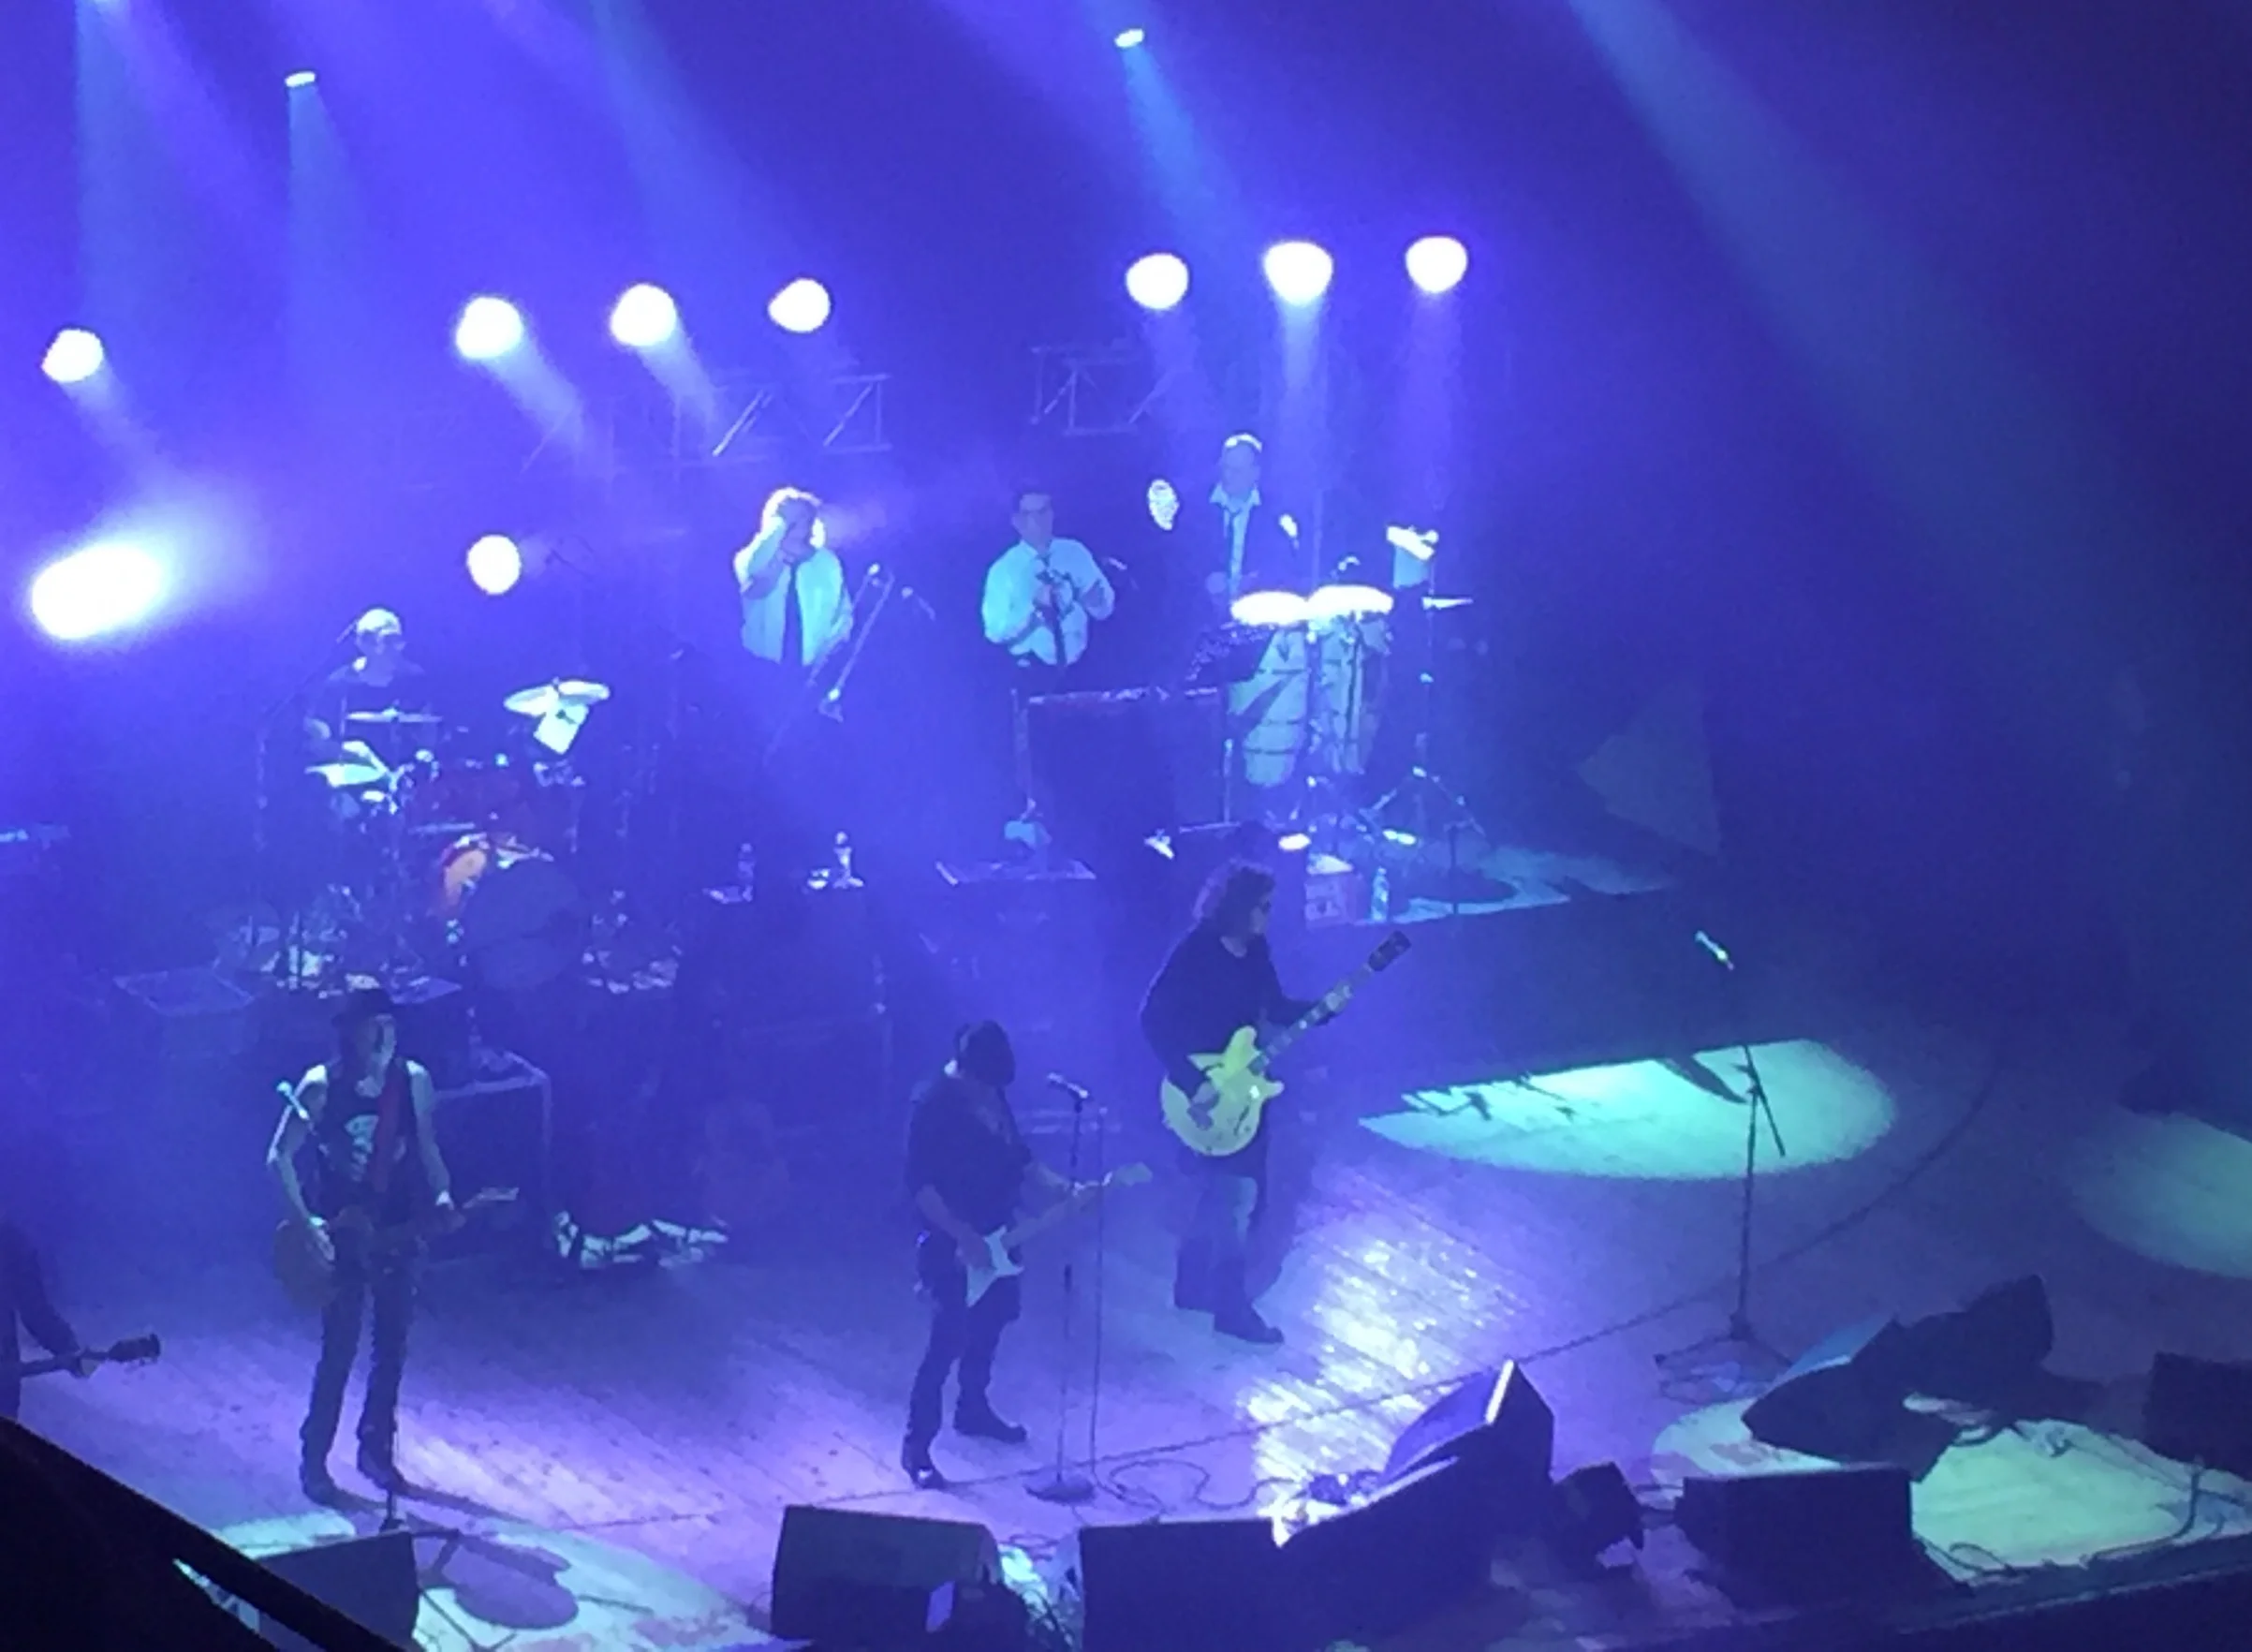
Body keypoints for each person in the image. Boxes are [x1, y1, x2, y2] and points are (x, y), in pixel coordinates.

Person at [268, 983, 457, 1501]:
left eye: (389, 1025)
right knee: (339, 1349)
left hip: (397, 1228)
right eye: (372, 1025)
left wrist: (443, 1194)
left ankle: (376, 1451)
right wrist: (307, 1224)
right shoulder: (321, 1085)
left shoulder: (412, 1081)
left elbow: (427, 1147)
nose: (382, 1036)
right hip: (343, 1234)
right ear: (349, 1031)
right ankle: (314, 1460)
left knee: (391, 1347)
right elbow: (279, 1155)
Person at [1141, 863, 1338, 1345]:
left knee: (1220, 1194)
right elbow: (1151, 1017)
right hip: (1204, 1095)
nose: (1269, 916)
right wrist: (1192, 1082)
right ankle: (1231, 1308)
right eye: (1263, 907)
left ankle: (1191, 1286)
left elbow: (1274, 1007)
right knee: (1238, 1198)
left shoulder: (1256, 952)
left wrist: (1319, 1010)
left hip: (1244, 1093)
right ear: (1238, 906)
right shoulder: (1196, 952)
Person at [901, 1021, 1078, 1489]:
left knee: (992, 1321)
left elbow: (1016, 1153)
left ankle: (973, 1408)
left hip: (1000, 1226)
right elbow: (920, 1185)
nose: (989, 1093)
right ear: (966, 1071)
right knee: (945, 1341)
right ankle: (916, 1448)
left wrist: (1058, 1186)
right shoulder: (933, 1105)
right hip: (951, 1240)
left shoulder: (992, 1093)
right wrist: (962, 1235)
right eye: (983, 1085)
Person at [982, 487, 1117, 680]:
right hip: (1032, 673)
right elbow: (995, 631)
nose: (1039, 521)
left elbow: (1104, 610)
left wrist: (1093, 597)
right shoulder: (1004, 569)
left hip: (1083, 669)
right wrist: (1034, 613)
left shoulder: (1074, 552)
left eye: (1044, 512)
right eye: (1030, 514)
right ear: (1017, 521)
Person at [734, 486, 854, 681]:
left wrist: (829, 658)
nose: (793, 523)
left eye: (800, 517)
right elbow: (755, 576)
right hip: (761, 667)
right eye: (785, 517)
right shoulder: (755, 556)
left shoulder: (826, 562)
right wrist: (778, 532)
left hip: (812, 668)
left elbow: (840, 613)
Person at [0, 1218, 90, 1423]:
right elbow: (35, 1310)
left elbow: (36, 1309)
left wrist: (69, 1349)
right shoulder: (9, 1240)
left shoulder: (9, 1241)